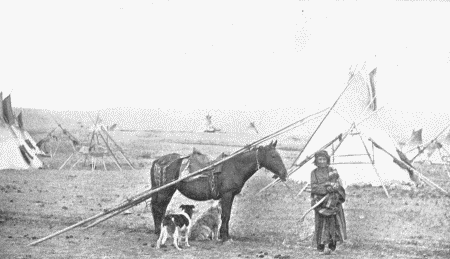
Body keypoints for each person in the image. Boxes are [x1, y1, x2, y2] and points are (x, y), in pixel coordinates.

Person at [310, 150, 347, 255]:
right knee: (320, 223)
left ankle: (332, 244)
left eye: (324, 159)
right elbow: (314, 187)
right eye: (319, 159)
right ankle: (320, 245)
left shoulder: (333, 171)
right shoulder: (314, 173)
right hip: (320, 202)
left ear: (327, 160)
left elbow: (339, 184)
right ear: (316, 161)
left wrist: (335, 187)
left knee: (333, 223)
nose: (322, 161)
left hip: (333, 201)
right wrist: (326, 188)